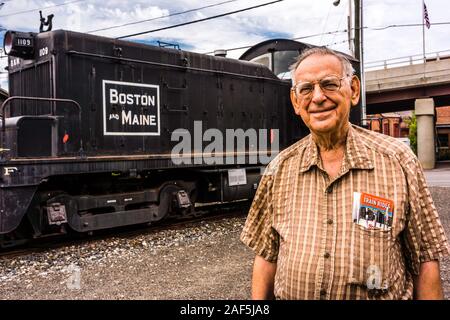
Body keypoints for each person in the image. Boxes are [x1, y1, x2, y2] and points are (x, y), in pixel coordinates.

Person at [240, 46, 450, 300]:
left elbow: (425, 258)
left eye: (329, 84)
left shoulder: (398, 160)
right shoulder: (279, 168)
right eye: (306, 89)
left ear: (354, 90)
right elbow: (266, 255)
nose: (317, 97)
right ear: (296, 102)